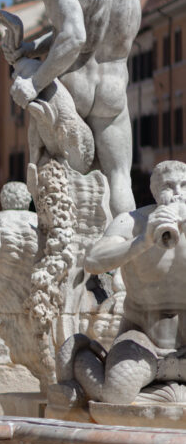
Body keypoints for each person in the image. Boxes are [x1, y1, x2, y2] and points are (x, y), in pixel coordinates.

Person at [7, 0, 141, 216]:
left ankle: (66, 260)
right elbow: (96, 30)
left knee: (60, 183)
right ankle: (120, 265)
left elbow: (74, 36)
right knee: (120, 180)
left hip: (73, 86)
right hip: (113, 88)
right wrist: (33, 46)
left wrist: (35, 80)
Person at [68, 160, 186, 405]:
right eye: (168, 186)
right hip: (143, 340)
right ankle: (82, 356)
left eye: (184, 186)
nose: (177, 193)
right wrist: (142, 241)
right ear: (155, 192)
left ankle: (162, 397)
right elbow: (92, 260)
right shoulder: (132, 222)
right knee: (115, 395)